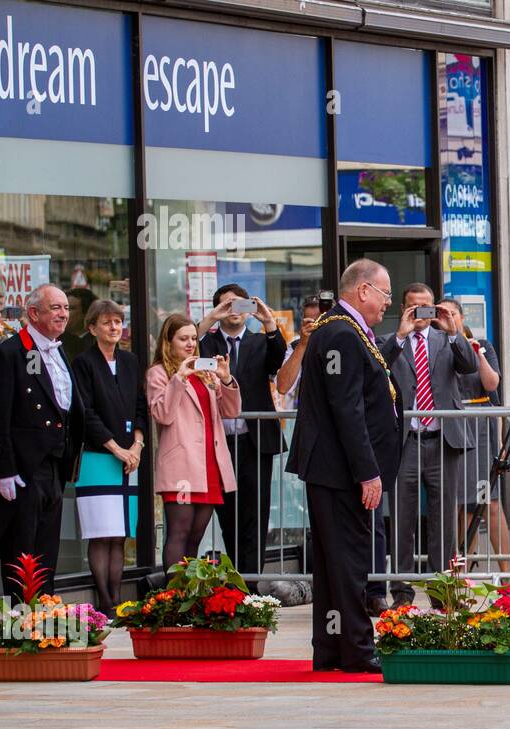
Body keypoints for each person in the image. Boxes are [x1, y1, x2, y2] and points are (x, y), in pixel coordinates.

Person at [287, 259, 402, 673]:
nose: (389, 303)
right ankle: (356, 648)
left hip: (335, 469)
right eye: (386, 293)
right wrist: (367, 471)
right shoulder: (340, 332)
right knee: (349, 560)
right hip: (338, 471)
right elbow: (346, 409)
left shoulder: (343, 329)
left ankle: (333, 647)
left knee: (337, 560)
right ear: (364, 290)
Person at [378, 283, 478, 610]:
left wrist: (453, 331)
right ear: (404, 308)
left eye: (426, 306)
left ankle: (443, 594)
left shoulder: (445, 340)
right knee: (402, 521)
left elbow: (469, 367)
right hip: (406, 441)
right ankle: (403, 595)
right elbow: (378, 367)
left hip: (442, 440)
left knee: (443, 521)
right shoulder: (391, 341)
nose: (420, 313)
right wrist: (401, 334)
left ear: (434, 308)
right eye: (413, 306)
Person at [0, 285, 86, 600]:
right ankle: (22, 625)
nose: (63, 314)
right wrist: (1, 469)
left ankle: (45, 620)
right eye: (55, 307)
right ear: (33, 313)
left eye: (66, 308)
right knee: (23, 554)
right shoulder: (9, 354)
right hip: (22, 471)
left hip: (54, 466)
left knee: (45, 555)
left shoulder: (59, 350)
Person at [197, 284, 287, 577]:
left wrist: (269, 322)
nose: (234, 311)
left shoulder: (261, 341)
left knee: (256, 513)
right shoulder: (208, 343)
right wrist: (211, 318)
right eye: (228, 305)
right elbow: (186, 345)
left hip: (255, 440)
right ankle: (236, 576)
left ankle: (252, 581)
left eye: (240, 305)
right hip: (219, 441)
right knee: (229, 514)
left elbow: (278, 362)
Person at [145, 314, 240, 571]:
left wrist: (225, 379)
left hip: (208, 463)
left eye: (193, 338)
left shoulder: (203, 371)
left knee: (195, 538)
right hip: (181, 463)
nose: (189, 344)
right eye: (182, 338)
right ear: (168, 341)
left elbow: (230, 411)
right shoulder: (159, 373)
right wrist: (180, 378)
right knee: (179, 532)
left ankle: (189, 596)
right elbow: (162, 414)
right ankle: (173, 598)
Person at [72, 300, 148, 615]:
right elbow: (85, 412)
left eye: (118, 321)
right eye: (106, 322)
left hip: (130, 459)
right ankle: (103, 599)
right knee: (100, 533)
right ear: (92, 328)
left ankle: (116, 599)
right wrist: (117, 448)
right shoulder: (83, 363)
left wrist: (137, 446)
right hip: (98, 458)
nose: (114, 327)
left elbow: (141, 408)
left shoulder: (130, 362)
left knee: (119, 534)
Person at [440, 298, 510, 578]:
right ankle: (462, 572)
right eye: (442, 314)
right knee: (461, 503)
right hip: (452, 426)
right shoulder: (436, 346)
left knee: (489, 500)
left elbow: (492, 383)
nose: (447, 318)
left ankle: (508, 573)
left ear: (461, 316)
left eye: (452, 313)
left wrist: (476, 351)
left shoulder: (482, 344)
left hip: (480, 428)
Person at [275, 295, 325, 409]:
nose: (315, 326)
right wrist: (303, 344)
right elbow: (283, 387)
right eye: (310, 322)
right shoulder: (297, 345)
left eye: (321, 320)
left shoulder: (344, 340)